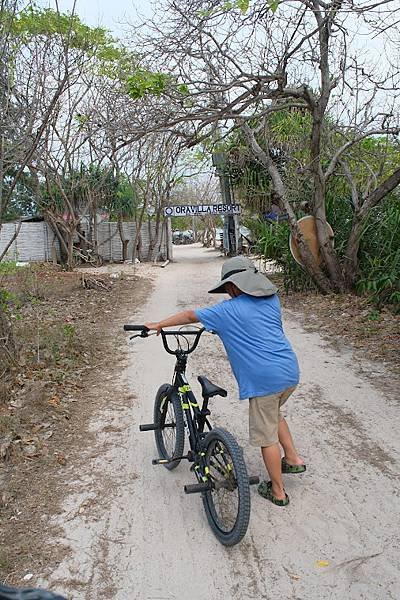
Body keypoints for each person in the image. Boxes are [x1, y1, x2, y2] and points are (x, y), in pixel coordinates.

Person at [145, 256, 306, 506]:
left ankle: (278, 492)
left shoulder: (227, 311)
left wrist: (159, 324)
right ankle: (293, 458)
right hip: (289, 372)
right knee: (273, 413)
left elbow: (190, 316)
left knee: (266, 437)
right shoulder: (272, 300)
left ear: (232, 286)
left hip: (264, 380)